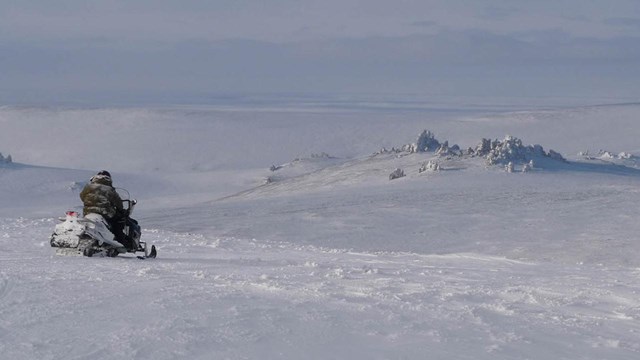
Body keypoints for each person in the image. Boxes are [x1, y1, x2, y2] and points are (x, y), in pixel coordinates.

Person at [80, 170, 133, 249]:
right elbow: (118, 202)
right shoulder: (109, 189)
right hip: (105, 213)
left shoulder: (88, 187)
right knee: (118, 223)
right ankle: (120, 242)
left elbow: (82, 197)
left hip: (88, 212)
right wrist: (121, 210)